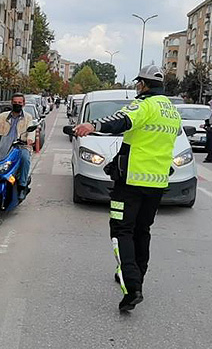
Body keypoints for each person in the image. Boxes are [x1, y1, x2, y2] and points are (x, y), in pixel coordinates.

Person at [72, 64, 181, 312]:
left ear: (143, 84)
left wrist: (93, 126)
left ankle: (132, 287)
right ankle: (137, 275)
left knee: (121, 230)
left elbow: (121, 120)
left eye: (137, 84)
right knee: (142, 231)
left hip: (131, 181)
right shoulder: (172, 111)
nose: (136, 88)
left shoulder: (145, 104)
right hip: (157, 183)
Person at [0, 93, 35, 200]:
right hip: (4, 146)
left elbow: (31, 130)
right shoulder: (3, 116)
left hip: (20, 146)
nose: (17, 104)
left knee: (25, 159)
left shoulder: (28, 117)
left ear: (23, 104)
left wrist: (30, 139)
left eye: (19, 103)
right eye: (15, 103)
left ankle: (22, 186)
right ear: (11, 103)